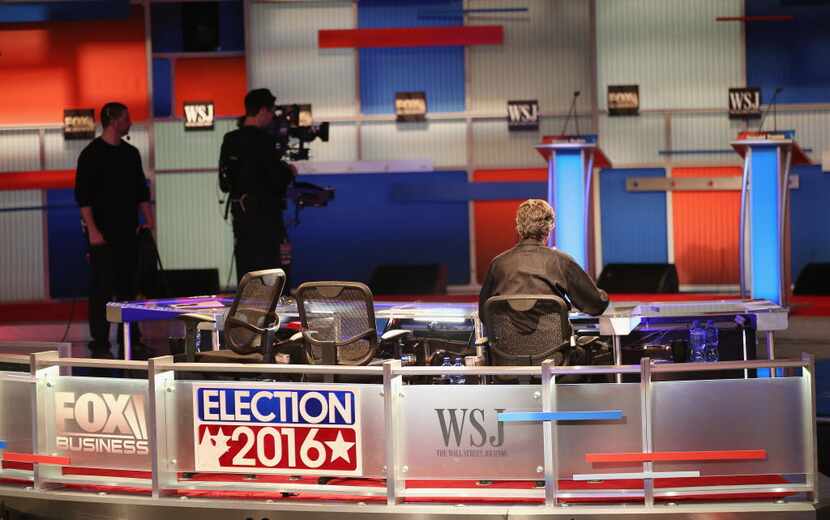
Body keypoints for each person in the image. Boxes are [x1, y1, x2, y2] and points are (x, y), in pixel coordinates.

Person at [74, 102, 153, 359]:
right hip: (102, 234)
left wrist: (149, 220)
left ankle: (132, 337)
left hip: (128, 231)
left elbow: (142, 191)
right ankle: (99, 340)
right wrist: (93, 232)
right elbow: (83, 199)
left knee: (129, 287)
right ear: (115, 120)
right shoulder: (91, 154)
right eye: (126, 118)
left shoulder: (131, 154)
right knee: (101, 289)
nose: (130, 122)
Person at [479, 199, 609, 320]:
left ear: (518, 225)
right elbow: (595, 306)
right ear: (551, 225)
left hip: (506, 344)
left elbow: (484, 314)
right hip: (555, 344)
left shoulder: (498, 264)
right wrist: (603, 295)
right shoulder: (562, 262)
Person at [219, 88, 295, 283]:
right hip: (267, 220)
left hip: (242, 220)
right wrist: (290, 172)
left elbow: (224, 184)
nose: (271, 117)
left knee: (247, 274)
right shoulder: (266, 141)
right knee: (271, 275)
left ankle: (246, 311)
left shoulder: (230, 140)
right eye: (271, 112)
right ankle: (274, 311)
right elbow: (277, 180)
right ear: (262, 111)